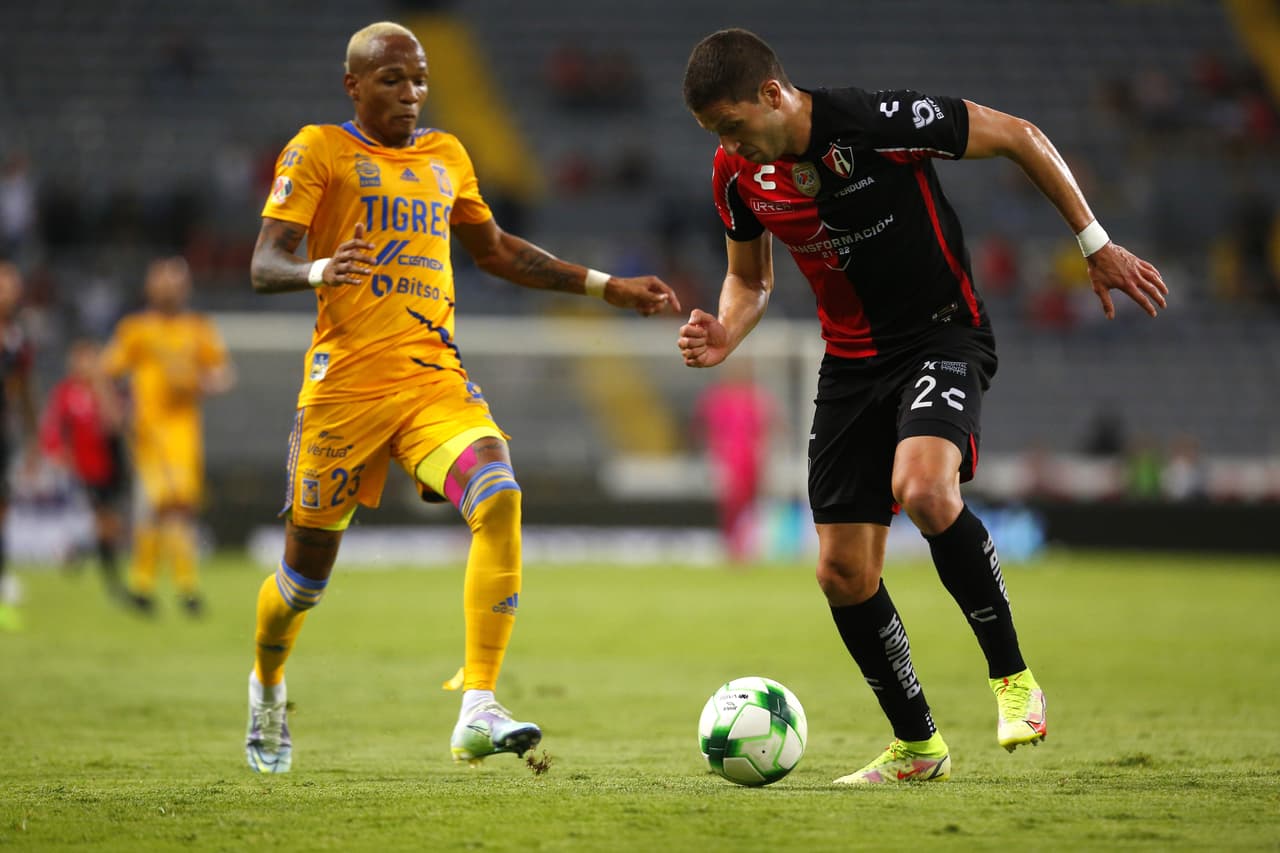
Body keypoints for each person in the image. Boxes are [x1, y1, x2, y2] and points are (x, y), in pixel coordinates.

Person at [677, 29, 1168, 784]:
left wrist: (1093, 240)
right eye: (717, 136)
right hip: (850, 365)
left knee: (926, 487)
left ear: (771, 95)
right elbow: (750, 279)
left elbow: (1018, 135)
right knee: (842, 573)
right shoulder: (736, 176)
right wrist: (724, 331)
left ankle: (1014, 682)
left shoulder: (876, 121)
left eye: (732, 127)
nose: (729, 147)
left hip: (943, 337)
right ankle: (918, 744)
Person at [245, 21, 679, 775]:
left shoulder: (448, 155)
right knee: (302, 584)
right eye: (392, 80)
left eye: (418, 80)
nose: (411, 93)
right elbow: (263, 262)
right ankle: (268, 683)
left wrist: (606, 287)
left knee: (499, 491)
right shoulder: (318, 148)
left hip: (430, 380)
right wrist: (320, 270)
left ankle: (478, 703)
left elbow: (499, 251)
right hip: (344, 392)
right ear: (353, 85)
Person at [103, 256, 234, 616]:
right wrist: (115, 413)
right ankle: (165, 587)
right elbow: (106, 370)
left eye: (177, 283)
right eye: (164, 282)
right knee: (161, 505)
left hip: (185, 433)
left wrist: (199, 382)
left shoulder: (197, 328)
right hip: (148, 432)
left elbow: (223, 373)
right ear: (151, 287)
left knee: (180, 508)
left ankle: (158, 587)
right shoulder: (136, 330)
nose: (171, 289)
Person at [38, 339, 130, 603]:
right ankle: (112, 582)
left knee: (110, 526)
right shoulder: (65, 393)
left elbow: (115, 424)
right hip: (83, 469)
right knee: (103, 524)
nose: (85, 365)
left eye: (90, 358)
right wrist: (57, 454)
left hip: (111, 467)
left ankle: (78, 553)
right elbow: (53, 429)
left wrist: (102, 387)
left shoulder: (108, 389)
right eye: (80, 359)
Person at [693, 362, 775, 562]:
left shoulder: (754, 399)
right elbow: (703, 429)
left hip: (748, 460)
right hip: (728, 460)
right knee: (731, 505)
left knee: (748, 505)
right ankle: (732, 548)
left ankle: (745, 547)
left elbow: (765, 431)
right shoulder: (717, 400)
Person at [0, 262, 37, 632]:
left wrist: (33, 438)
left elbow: (24, 391)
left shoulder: (16, 339)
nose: (8, 291)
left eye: (12, 285)